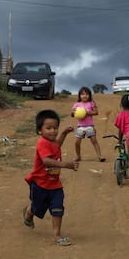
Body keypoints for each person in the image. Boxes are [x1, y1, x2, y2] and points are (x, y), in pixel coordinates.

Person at [23, 109, 79, 246]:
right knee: (37, 208)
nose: (53, 131)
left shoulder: (52, 141)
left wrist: (64, 133)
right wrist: (66, 164)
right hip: (40, 185)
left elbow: (57, 145)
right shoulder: (42, 143)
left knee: (57, 208)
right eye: (49, 128)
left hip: (55, 185)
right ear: (39, 131)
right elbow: (46, 161)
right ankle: (29, 213)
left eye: (55, 128)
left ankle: (57, 235)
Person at [71, 86, 105, 162]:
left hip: (89, 126)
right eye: (82, 94)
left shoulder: (91, 103)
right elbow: (72, 114)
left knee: (94, 141)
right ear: (79, 96)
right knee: (77, 143)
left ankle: (100, 156)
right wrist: (74, 112)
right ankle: (78, 156)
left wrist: (87, 112)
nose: (84, 96)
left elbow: (96, 112)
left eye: (86, 94)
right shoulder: (77, 104)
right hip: (80, 126)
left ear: (89, 95)